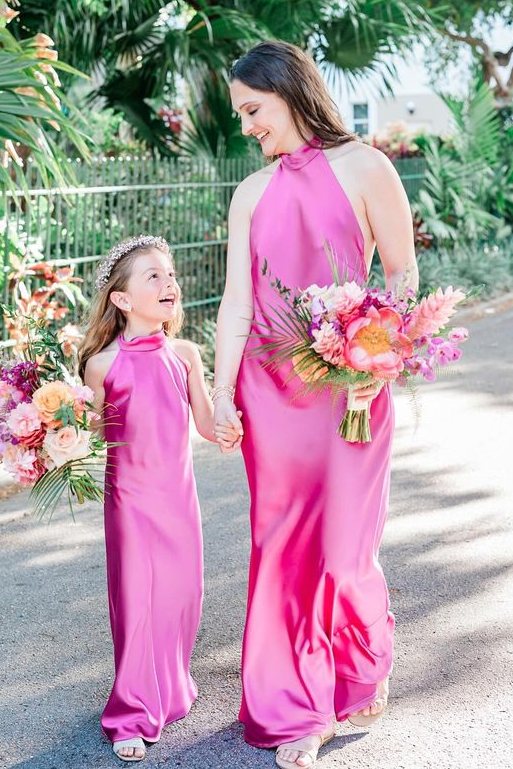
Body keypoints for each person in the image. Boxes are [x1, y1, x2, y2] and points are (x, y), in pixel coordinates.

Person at [213, 41, 419, 769]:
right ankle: (298, 705)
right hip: (268, 397)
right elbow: (237, 300)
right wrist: (218, 390)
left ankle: (364, 661)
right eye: (240, 114)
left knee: (343, 548)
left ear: (289, 93)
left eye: (252, 110)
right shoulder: (249, 192)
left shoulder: (365, 166)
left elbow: (400, 274)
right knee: (281, 550)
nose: (246, 127)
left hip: (348, 387)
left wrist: (380, 359)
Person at [78, 235, 240, 762]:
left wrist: (229, 426)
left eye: (170, 275)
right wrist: (57, 431)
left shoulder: (185, 354)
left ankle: (168, 686)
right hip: (130, 503)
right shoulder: (102, 365)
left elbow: (205, 424)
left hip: (179, 501)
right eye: (153, 276)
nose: (169, 283)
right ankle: (130, 710)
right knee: (138, 601)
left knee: (179, 598)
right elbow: (89, 435)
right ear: (121, 300)